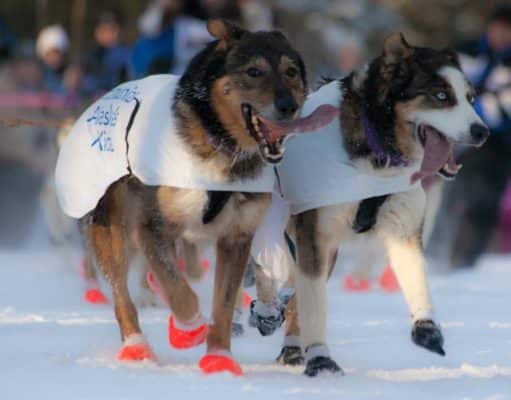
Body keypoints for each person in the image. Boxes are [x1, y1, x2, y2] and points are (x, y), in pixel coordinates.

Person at [445, 4, 511, 268]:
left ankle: (464, 261)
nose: (503, 35)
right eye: (500, 29)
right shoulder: (466, 51)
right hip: (456, 136)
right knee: (447, 197)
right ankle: (431, 253)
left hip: (498, 143)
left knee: (483, 203)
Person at [131, 0, 211, 77]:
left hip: (175, 77)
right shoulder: (149, 24)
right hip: (146, 76)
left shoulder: (188, 26)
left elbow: (211, 36)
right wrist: (161, 7)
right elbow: (148, 27)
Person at [83, 10, 130, 95]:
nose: (107, 34)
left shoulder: (127, 56)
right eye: (103, 30)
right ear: (96, 32)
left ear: (118, 31)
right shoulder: (89, 56)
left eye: (111, 30)